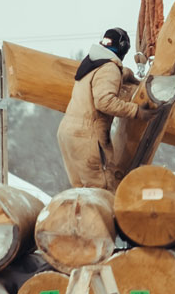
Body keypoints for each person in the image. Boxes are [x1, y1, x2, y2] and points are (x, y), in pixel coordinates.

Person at [57, 27, 139, 190]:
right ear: (122, 48)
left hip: (68, 133)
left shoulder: (92, 62)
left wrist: (126, 73)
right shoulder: (109, 69)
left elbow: (102, 79)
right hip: (87, 136)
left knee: (81, 191)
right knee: (101, 190)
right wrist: (136, 110)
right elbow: (104, 102)